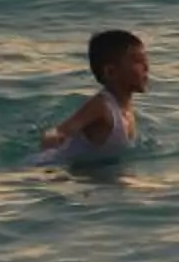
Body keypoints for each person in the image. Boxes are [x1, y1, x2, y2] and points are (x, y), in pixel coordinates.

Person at [39, 29, 148, 165]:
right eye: (138, 61)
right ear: (110, 72)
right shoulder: (102, 106)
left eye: (145, 61)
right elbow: (63, 130)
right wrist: (52, 136)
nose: (146, 67)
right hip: (49, 166)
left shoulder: (126, 109)